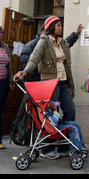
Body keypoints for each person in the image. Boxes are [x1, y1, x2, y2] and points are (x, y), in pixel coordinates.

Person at [14, 16, 76, 159]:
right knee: (51, 115)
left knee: (70, 112)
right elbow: (34, 58)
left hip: (63, 83)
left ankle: (63, 146)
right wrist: (26, 71)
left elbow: (67, 66)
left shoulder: (63, 43)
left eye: (61, 25)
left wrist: (71, 85)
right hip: (50, 84)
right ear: (51, 27)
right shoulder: (44, 42)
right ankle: (47, 148)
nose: (61, 28)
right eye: (58, 25)